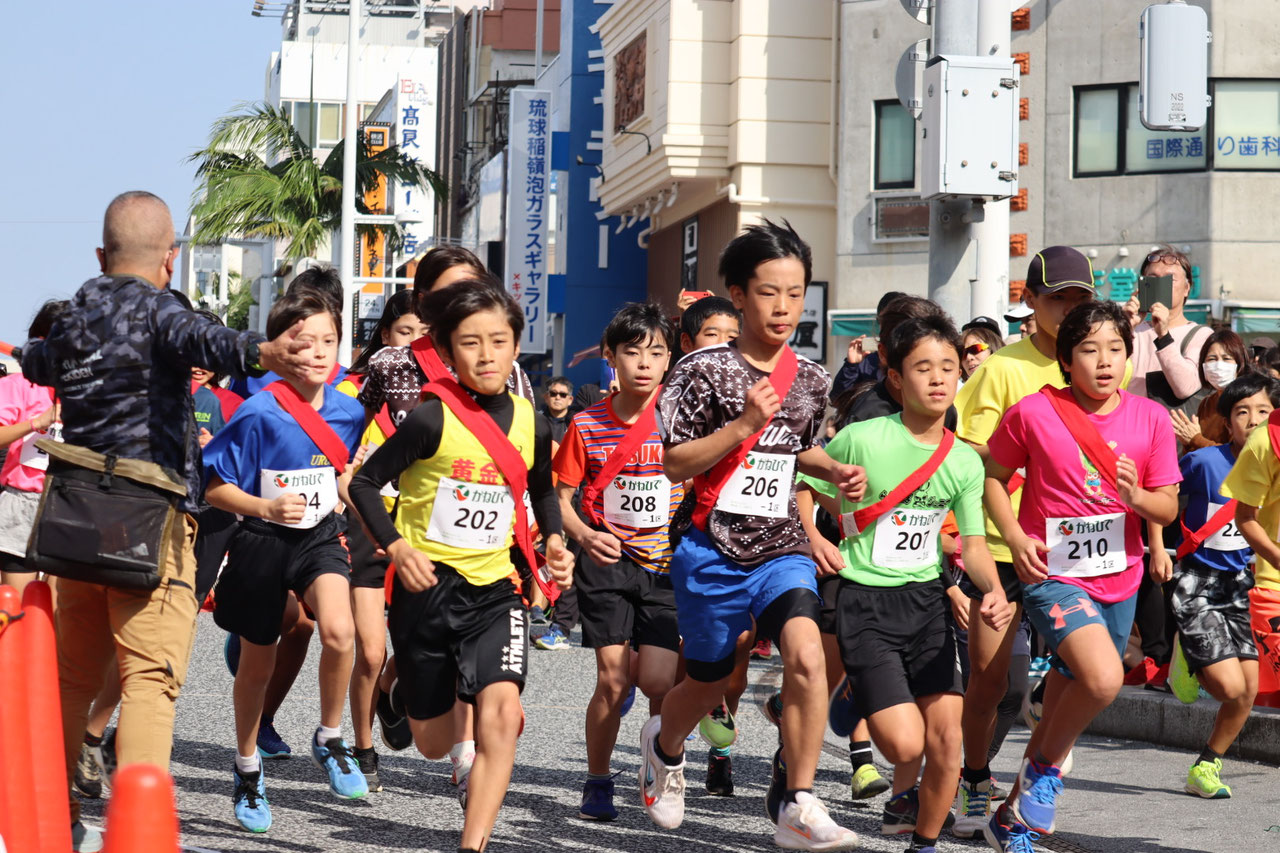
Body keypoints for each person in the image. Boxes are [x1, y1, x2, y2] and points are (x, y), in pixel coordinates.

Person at [19, 190, 308, 852]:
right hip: (148, 520)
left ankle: (54, 822)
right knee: (149, 679)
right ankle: (139, 836)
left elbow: (40, 362)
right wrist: (261, 352)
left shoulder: (76, 314)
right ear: (169, 260)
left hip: (74, 521)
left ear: (101, 254)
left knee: (71, 677)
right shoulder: (163, 312)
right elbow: (205, 339)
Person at [641, 219, 865, 851]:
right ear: (738, 296)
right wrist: (742, 424)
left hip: (781, 546)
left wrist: (836, 469)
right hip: (709, 548)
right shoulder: (700, 371)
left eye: (795, 293)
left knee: (807, 654)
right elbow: (675, 462)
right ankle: (663, 745)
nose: (784, 307)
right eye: (769, 292)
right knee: (710, 680)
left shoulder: (812, 378)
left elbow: (798, 448)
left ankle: (799, 801)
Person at [347, 281, 573, 853]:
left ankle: (471, 845)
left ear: (517, 345)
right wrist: (397, 546)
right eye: (470, 343)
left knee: (501, 714)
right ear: (447, 352)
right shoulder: (430, 419)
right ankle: (398, 695)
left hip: (497, 590)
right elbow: (366, 483)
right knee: (430, 741)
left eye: (499, 340)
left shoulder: (532, 421)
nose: (487, 354)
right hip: (427, 590)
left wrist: (552, 538)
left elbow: (544, 490)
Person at [800, 313, 1012, 853]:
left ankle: (923, 845)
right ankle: (858, 696)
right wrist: (812, 538)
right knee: (905, 744)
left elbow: (973, 544)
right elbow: (800, 479)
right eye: (924, 368)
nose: (940, 378)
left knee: (946, 743)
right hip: (864, 601)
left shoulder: (963, 459)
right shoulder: (863, 438)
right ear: (896, 378)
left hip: (925, 605)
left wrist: (993, 591)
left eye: (949, 367)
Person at [981, 300, 1180, 851]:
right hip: (1053, 574)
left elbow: (1166, 508)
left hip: (1121, 578)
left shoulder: (1152, 419)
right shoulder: (1032, 412)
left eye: (1116, 349)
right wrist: (1017, 538)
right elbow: (993, 477)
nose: (1104, 361)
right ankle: (1046, 774)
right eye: (1089, 350)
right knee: (1101, 679)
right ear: (1067, 359)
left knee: (1071, 694)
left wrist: (1136, 495)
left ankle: (1011, 819)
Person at [951, 245, 1112, 839]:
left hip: (1074, 547)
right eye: (1056, 297)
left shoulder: (1098, 366)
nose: (1068, 308)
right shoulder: (1002, 368)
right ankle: (972, 777)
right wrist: (1012, 469)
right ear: (1030, 301)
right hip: (1001, 545)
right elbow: (965, 445)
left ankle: (1022, 795)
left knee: (1077, 673)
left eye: (1080, 298)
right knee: (993, 681)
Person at [204, 289, 370, 831]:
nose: (318, 352)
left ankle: (330, 736)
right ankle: (247, 765)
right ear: (279, 347)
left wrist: (358, 490)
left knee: (342, 633)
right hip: (260, 539)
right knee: (259, 661)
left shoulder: (349, 410)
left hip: (319, 537)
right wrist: (264, 506)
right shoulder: (258, 412)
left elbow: (339, 475)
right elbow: (212, 487)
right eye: (304, 342)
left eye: (329, 341)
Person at [553, 303, 684, 819]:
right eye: (632, 352)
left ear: (670, 358)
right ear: (611, 357)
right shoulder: (585, 425)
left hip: (667, 565)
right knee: (612, 679)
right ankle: (598, 779)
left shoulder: (681, 422)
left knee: (657, 682)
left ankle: (661, 760)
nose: (645, 364)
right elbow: (560, 497)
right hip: (608, 560)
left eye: (655, 353)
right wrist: (584, 536)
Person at [1162, 374, 1278, 798]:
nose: (1252, 420)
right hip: (1196, 581)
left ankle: (1206, 766)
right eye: (1241, 412)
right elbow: (1164, 501)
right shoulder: (1203, 463)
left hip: (1242, 586)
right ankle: (1187, 656)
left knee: (1247, 691)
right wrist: (1158, 548)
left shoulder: (1274, 466)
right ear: (1227, 422)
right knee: (1229, 687)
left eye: (1262, 411)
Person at [342, 289, 430, 791]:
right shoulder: (360, 397)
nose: (417, 343)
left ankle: (390, 695)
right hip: (366, 532)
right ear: (385, 340)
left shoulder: (444, 401)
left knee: (421, 646)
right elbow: (338, 469)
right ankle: (362, 747)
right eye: (406, 332)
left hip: (423, 534)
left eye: (426, 333)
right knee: (370, 652)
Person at [0, 300, 67, 596]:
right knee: (16, 609)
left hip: (72, 503)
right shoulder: (17, 384)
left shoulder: (92, 391)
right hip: (22, 502)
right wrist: (37, 422)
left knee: (61, 616)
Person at [229, 266, 351, 397]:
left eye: (327, 340)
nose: (319, 352)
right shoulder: (254, 376)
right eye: (306, 309)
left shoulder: (350, 385)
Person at [1123, 246, 1213, 408]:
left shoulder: (1201, 335)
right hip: (1127, 425)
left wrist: (1163, 335)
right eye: (1153, 278)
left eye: (1169, 279)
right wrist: (1124, 327)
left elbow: (1185, 388)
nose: (1160, 285)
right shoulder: (1131, 329)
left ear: (1186, 288)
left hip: (1170, 429)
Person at [1170, 329, 1251, 452]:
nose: (1219, 365)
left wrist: (1195, 439)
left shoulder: (1245, 403)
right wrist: (1187, 442)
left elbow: (1237, 454)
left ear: (1239, 365)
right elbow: (1198, 451)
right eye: (1212, 359)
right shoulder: (1207, 403)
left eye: (1226, 358)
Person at [829, 290, 907, 402]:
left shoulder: (917, 360)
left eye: (898, 321)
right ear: (879, 323)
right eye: (887, 321)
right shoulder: (866, 362)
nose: (893, 328)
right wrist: (851, 366)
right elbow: (837, 399)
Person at [542, 376, 574, 444]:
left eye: (563, 395)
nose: (557, 397)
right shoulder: (536, 421)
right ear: (546, 397)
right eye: (553, 394)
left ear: (570, 400)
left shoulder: (575, 424)